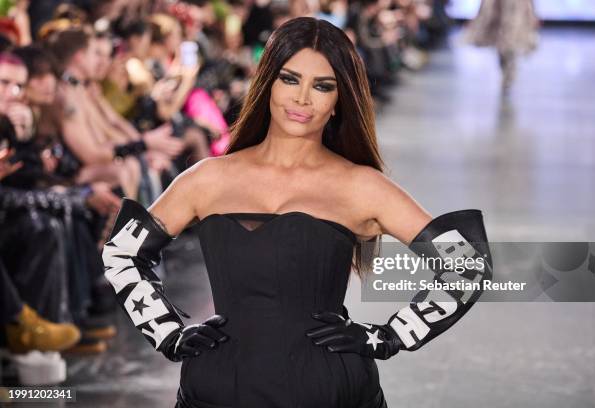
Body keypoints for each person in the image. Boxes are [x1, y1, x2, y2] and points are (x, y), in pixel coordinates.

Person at [102, 17, 492, 408]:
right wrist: (167, 333)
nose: (302, 98)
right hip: (218, 387)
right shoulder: (208, 179)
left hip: (329, 389)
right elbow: (122, 252)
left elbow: (467, 264)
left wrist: (388, 337)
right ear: (267, 82)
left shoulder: (361, 186)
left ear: (340, 100)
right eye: (290, 79)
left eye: (322, 86)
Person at [463, 0, 539, 93]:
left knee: (510, 42)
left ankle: (509, 71)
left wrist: (533, 13)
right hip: (498, 8)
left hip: (515, 9)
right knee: (501, 44)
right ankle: (506, 71)